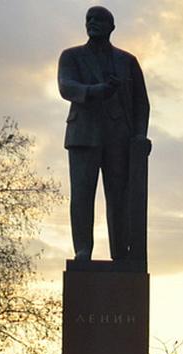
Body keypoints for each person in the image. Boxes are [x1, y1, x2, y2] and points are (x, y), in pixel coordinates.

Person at [57, 6, 150, 261]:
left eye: (99, 19)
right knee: (82, 195)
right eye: (89, 19)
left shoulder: (127, 61)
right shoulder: (71, 56)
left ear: (111, 27)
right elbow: (66, 87)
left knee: (119, 197)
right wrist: (98, 90)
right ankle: (83, 250)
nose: (92, 23)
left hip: (119, 137)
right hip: (83, 135)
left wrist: (140, 136)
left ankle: (119, 252)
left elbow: (141, 102)